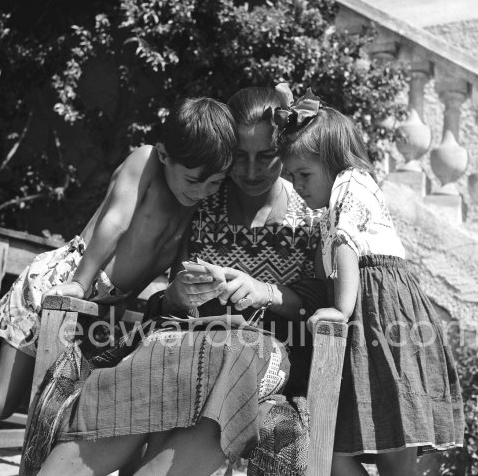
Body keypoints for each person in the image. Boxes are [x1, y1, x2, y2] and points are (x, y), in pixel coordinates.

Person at [35, 86, 326, 476]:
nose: (252, 171)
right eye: (240, 157)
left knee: (230, 358)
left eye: (267, 156)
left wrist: (267, 293)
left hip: (265, 355)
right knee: (161, 360)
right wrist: (176, 294)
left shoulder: (309, 215)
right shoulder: (203, 200)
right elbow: (166, 302)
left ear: (285, 151)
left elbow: (326, 303)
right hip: (189, 347)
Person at [0, 97, 237, 423]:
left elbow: (179, 272)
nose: (203, 192)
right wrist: (80, 284)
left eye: (215, 184)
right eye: (195, 181)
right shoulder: (147, 161)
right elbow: (115, 222)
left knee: (67, 409)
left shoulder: (193, 202)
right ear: (166, 155)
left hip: (100, 307)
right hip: (63, 281)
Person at [275, 85, 465, 476]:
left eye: (305, 174)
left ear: (334, 161)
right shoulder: (334, 202)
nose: (297, 185)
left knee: (390, 437)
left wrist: (340, 308)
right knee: (337, 444)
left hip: (379, 312)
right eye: (291, 176)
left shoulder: (349, 183)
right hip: (370, 321)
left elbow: (346, 244)